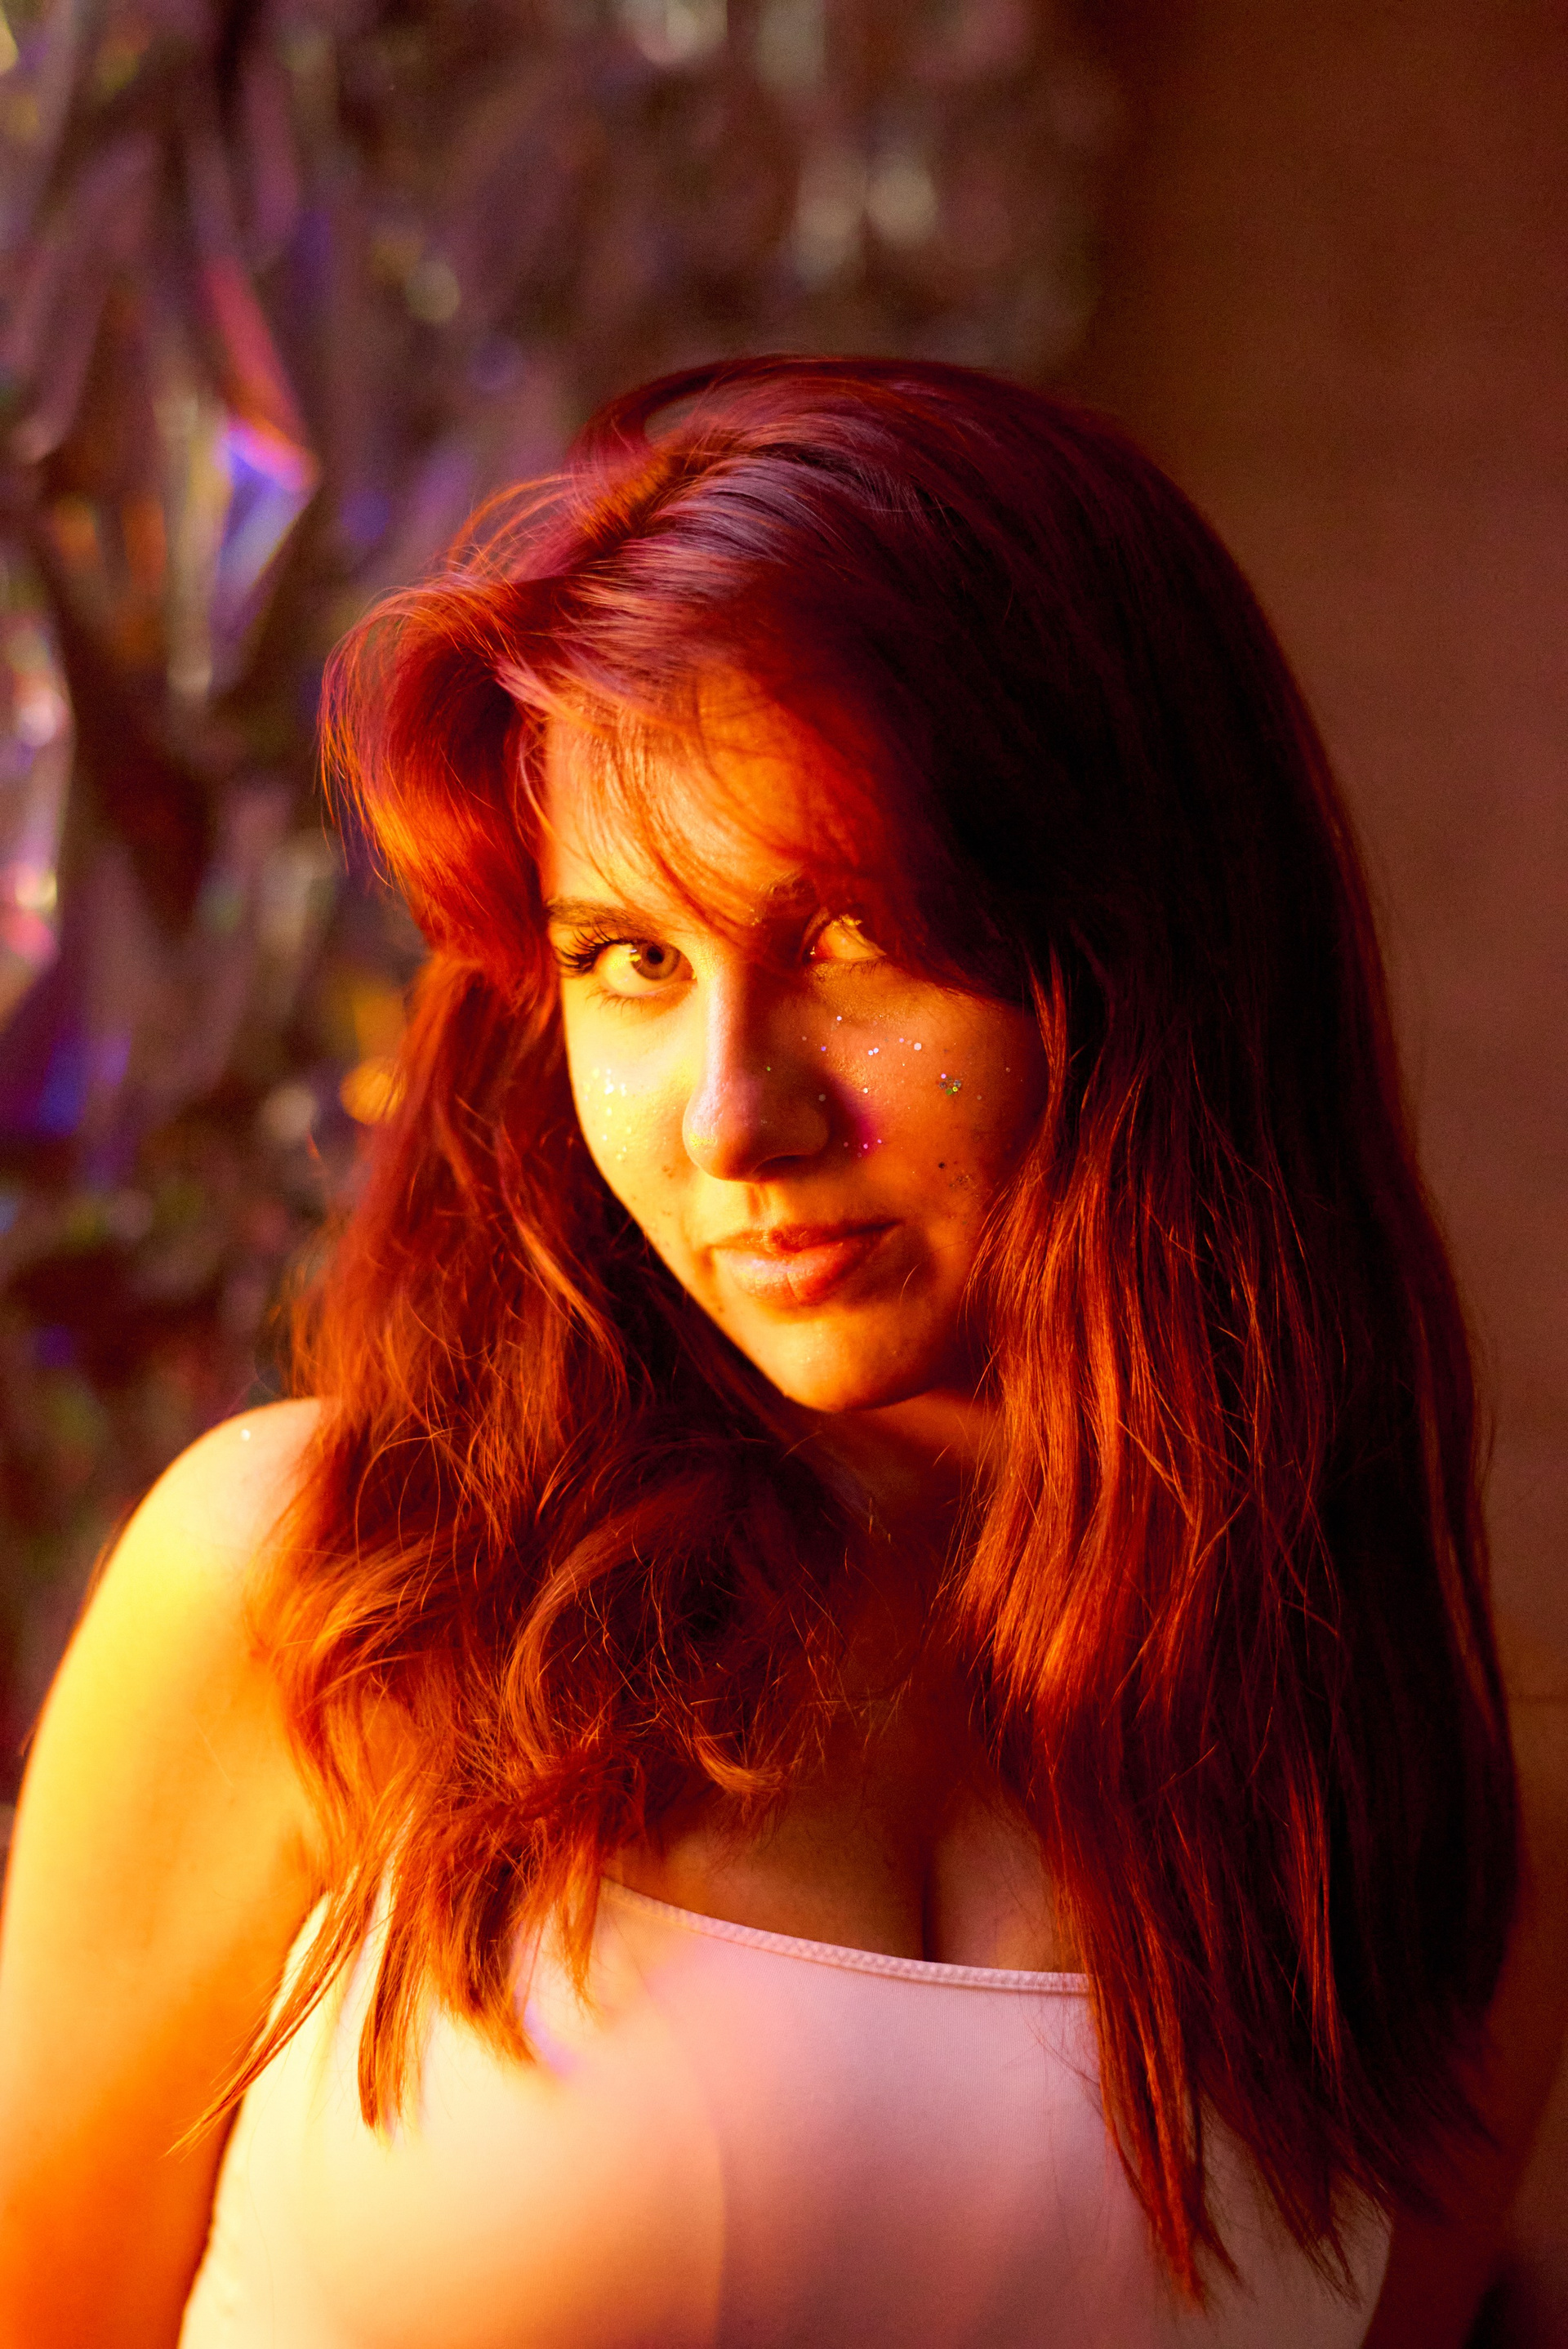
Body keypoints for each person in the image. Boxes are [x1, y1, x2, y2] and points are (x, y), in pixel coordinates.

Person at [0, 358, 1562, 2349]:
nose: (735, 1114)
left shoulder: (1448, 1818)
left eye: (851, 937)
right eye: (629, 959)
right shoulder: (317, 1596)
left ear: (1158, 950)